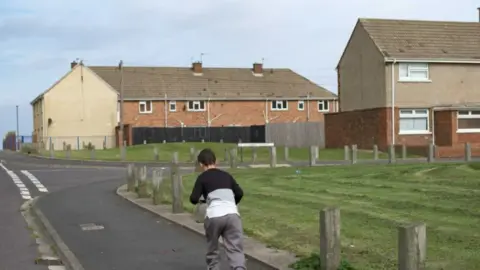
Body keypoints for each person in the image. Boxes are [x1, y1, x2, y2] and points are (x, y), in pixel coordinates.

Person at [189, 148, 246, 270]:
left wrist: (203, 200)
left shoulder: (202, 178)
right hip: (232, 214)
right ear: (216, 161)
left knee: (213, 247)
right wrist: (231, 203)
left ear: (200, 164)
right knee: (235, 247)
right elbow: (240, 193)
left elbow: (193, 198)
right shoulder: (227, 175)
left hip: (214, 215)